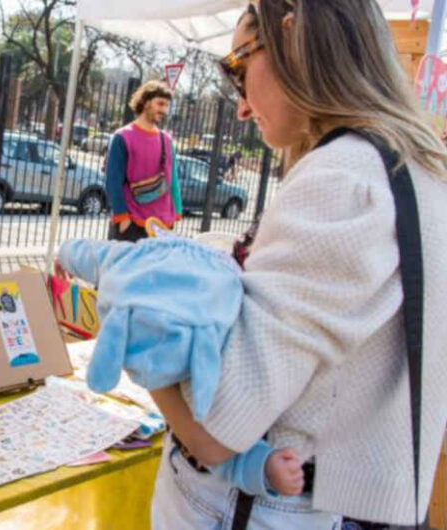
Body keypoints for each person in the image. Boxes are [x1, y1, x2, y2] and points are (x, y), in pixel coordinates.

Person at [148, 0, 447, 528]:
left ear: (293, 37)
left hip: (263, 505)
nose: (240, 106)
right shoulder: (419, 169)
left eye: (237, 66)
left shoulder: (342, 176)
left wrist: (142, 326)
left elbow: (219, 423)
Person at [55, 236, 305, 498]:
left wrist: (260, 466)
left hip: (215, 480)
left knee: (211, 422)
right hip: (188, 478)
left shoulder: (236, 320)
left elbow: (211, 443)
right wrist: (66, 254)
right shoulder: (226, 302)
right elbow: (89, 254)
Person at [105, 80, 183, 242]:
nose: (164, 110)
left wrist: (177, 212)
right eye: (160, 104)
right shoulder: (122, 137)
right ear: (146, 102)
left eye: (167, 106)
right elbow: (113, 180)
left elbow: (172, 178)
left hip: (162, 226)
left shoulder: (167, 140)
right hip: (131, 223)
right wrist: (122, 217)